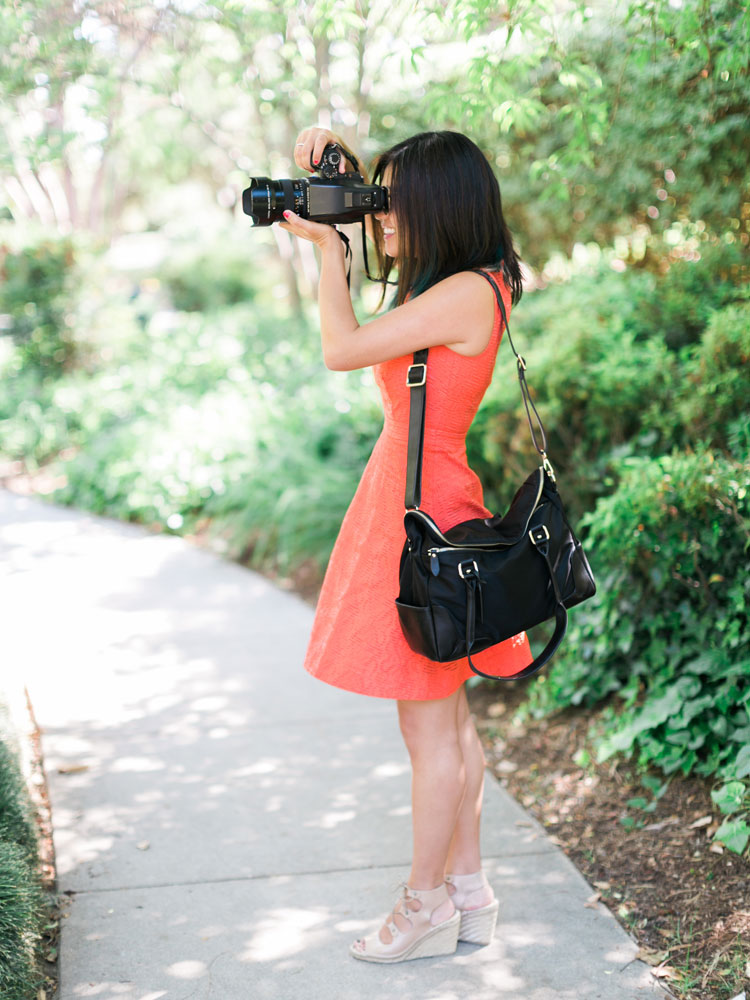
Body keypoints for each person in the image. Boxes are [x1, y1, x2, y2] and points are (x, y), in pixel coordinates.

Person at [279, 126, 531, 964]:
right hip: (421, 507)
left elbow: (339, 348)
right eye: (378, 200)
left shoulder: (464, 293)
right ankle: (470, 892)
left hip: (424, 521)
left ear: (440, 206)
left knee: (430, 736)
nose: (382, 217)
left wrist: (325, 252)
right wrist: (346, 166)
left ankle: (422, 904)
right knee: (450, 728)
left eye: (394, 202)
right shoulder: (470, 284)